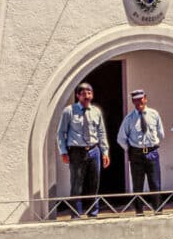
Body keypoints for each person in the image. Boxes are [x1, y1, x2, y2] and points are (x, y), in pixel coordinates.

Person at [56, 82, 110, 218]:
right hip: (77, 152)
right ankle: (75, 214)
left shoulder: (96, 112)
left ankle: (93, 213)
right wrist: (63, 151)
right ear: (78, 95)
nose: (87, 96)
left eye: (89, 93)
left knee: (94, 183)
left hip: (94, 150)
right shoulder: (69, 111)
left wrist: (105, 152)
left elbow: (101, 132)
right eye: (84, 93)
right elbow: (61, 132)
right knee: (77, 184)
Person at [117, 89, 165, 215]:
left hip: (152, 152)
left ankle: (158, 210)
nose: (139, 102)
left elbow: (161, 132)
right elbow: (121, 138)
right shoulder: (129, 118)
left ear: (145, 98)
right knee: (138, 185)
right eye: (136, 100)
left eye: (141, 99)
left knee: (155, 183)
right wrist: (131, 149)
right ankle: (139, 211)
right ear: (133, 101)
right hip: (136, 154)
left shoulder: (154, 114)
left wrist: (155, 143)